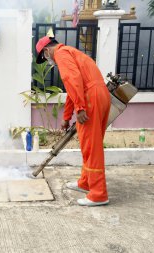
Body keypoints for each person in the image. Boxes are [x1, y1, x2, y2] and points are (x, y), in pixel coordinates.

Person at [35, 36, 111, 206]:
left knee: (92, 146)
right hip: (97, 95)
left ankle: (99, 194)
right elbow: (72, 88)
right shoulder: (69, 52)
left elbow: (73, 80)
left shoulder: (61, 54)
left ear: (47, 50)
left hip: (91, 97)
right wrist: (67, 117)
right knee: (89, 144)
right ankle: (86, 182)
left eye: (44, 57)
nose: (47, 61)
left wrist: (81, 108)